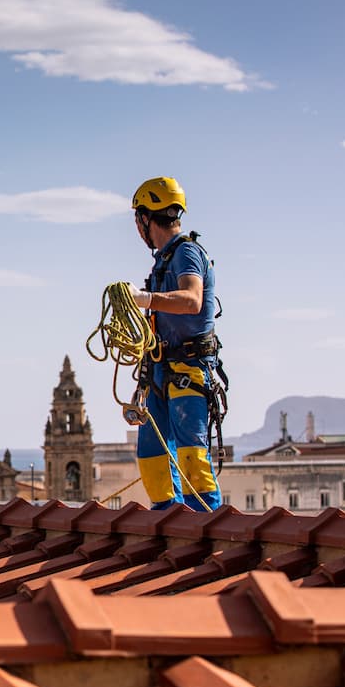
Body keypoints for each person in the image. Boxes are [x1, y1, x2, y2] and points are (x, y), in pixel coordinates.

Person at [125, 177, 224, 511]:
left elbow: (192, 299)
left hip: (188, 369)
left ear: (145, 219)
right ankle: (169, 522)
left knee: (191, 456)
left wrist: (145, 298)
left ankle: (207, 525)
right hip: (161, 369)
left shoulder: (187, 253)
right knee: (152, 456)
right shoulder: (164, 260)